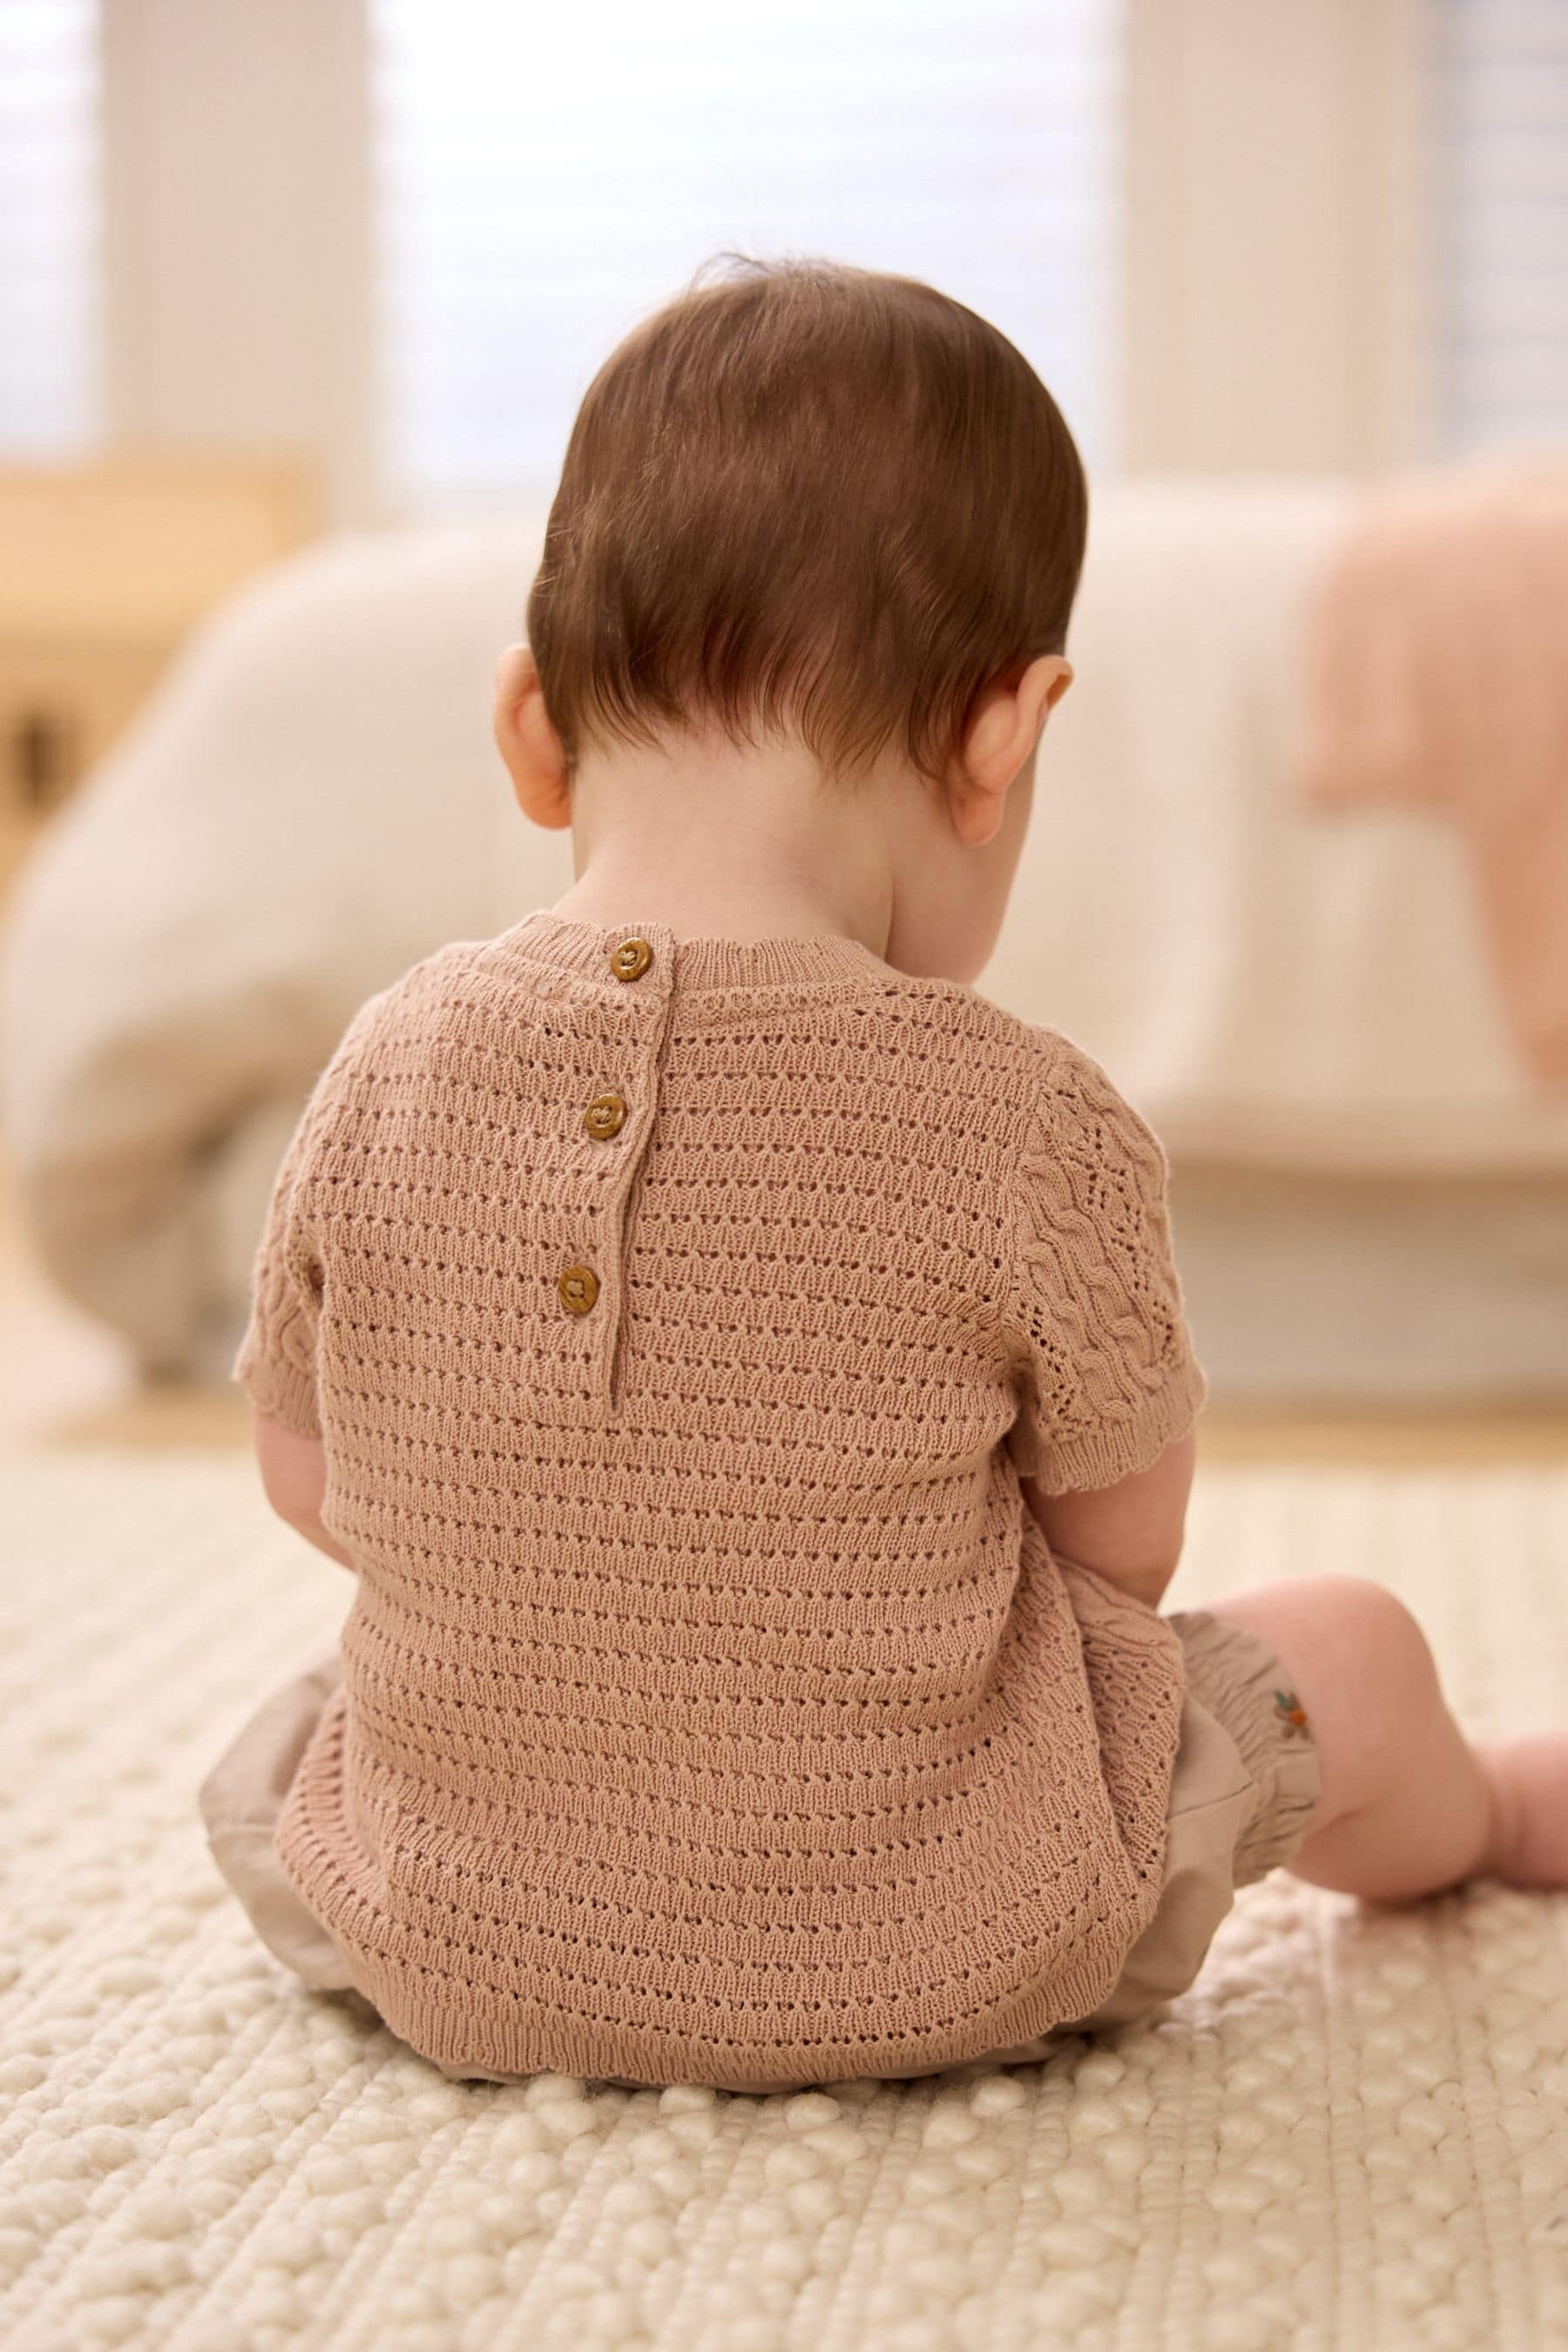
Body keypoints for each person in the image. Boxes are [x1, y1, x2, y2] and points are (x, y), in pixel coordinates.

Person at [199, 254, 1567, 2096]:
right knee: (1347, 1653)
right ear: (1000, 740)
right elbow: (1120, 1554)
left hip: (457, 1938)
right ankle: (1474, 1818)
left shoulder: (383, 1064)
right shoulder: (1030, 1120)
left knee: (313, 1736)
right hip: (958, 1947)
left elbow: (312, 1479)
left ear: (533, 727)